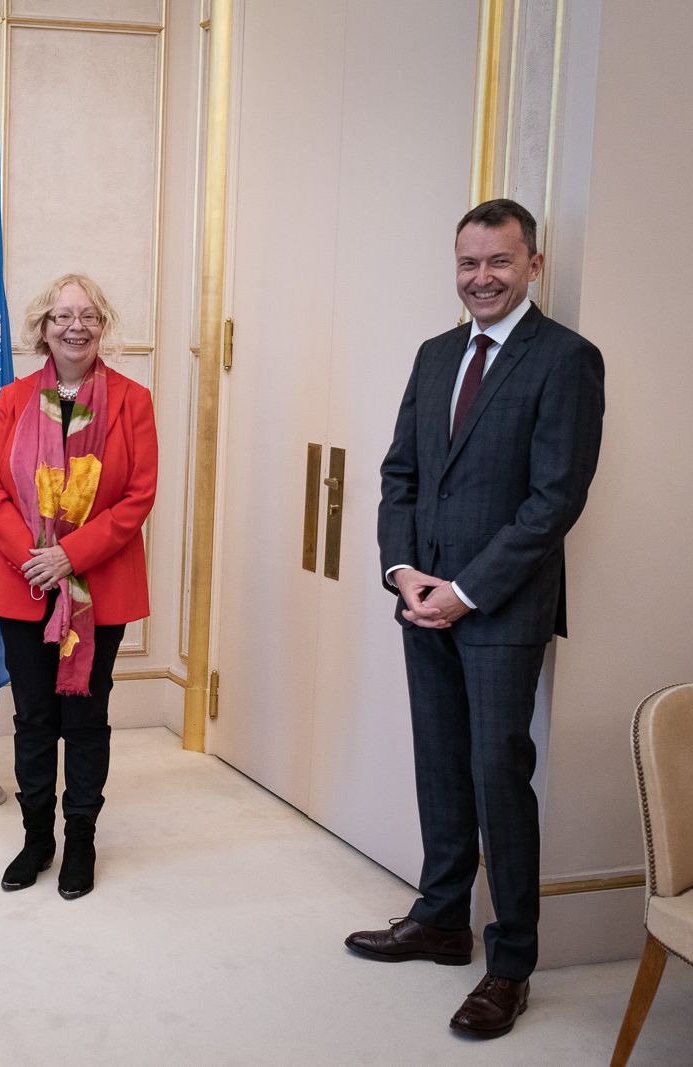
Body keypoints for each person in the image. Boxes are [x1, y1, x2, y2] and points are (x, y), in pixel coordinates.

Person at [349, 199, 605, 1039]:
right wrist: (404, 574)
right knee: (441, 765)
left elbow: (553, 501)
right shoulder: (433, 356)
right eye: (468, 263)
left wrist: (466, 589)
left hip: (500, 609)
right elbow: (400, 476)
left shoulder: (567, 360)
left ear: (533, 263)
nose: (481, 278)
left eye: (498, 262)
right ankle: (441, 919)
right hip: (422, 604)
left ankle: (512, 961)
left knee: (499, 776)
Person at [0, 272, 158, 900]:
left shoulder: (133, 400)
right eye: (61, 317)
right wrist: (38, 558)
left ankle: (80, 838)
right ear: (42, 329)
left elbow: (138, 498)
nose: (74, 326)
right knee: (32, 718)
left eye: (87, 315)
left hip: (99, 586)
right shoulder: (14, 399)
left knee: (85, 717)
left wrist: (69, 556)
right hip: (23, 582)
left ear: (102, 325)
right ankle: (36, 838)